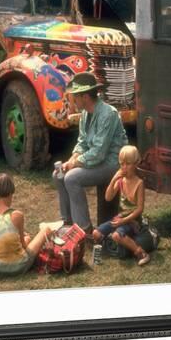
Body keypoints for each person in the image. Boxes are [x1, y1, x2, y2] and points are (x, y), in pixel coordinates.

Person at [54, 72, 128, 233]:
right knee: (59, 174)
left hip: (112, 164)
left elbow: (98, 153)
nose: (73, 99)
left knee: (72, 178)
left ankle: (84, 230)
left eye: (76, 96)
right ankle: (67, 223)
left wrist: (75, 163)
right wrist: (71, 160)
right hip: (96, 161)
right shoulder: (85, 114)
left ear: (85, 97)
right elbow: (82, 143)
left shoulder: (108, 114)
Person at [92, 145, 151, 266]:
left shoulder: (139, 183)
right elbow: (108, 197)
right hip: (120, 219)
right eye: (121, 163)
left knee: (117, 235)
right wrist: (114, 179)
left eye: (128, 164)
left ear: (135, 164)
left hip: (133, 221)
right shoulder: (120, 180)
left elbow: (140, 209)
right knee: (95, 233)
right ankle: (110, 246)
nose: (124, 167)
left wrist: (123, 220)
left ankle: (141, 253)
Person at [0, 173, 51, 275]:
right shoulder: (16, 215)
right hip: (18, 267)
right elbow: (23, 245)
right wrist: (27, 239)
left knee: (25, 239)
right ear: (10, 193)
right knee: (45, 230)